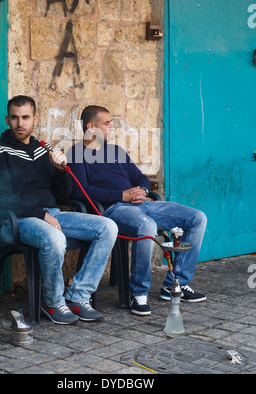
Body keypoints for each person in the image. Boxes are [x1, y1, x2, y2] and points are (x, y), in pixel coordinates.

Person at [0, 96, 118, 325]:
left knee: (107, 227)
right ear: (7, 119)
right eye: (15, 118)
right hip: (16, 220)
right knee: (54, 238)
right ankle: (52, 303)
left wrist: (61, 170)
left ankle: (77, 297)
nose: (20, 123)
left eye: (25, 117)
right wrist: (41, 215)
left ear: (35, 119)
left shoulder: (42, 149)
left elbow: (61, 193)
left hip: (51, 214)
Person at [66, 105, 207, 316]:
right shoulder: (76, 153)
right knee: (146, 226)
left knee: (197, 218)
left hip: (144, 204)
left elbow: (140, 177)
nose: (112, 127)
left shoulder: (115, 151)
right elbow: (80, 191)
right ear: (91, 126)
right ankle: (138, 292)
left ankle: (175, 283)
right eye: (107, 123)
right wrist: (121, 196)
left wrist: (143, 189)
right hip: (113, 209)